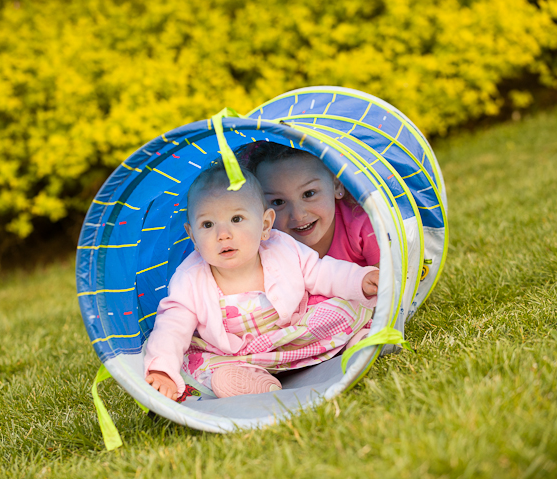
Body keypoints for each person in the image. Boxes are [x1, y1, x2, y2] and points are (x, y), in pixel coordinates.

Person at [144, 162, 379, 400]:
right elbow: (172, 325)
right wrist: (161, 368)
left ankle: (357, 342)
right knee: (201, 364)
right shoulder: (190, 278)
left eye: (236, 219)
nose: (223, 234)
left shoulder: (281, 247)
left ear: (265, 225)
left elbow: (321, 272)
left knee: (339, 307)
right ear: (192, 236)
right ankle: (256, 382)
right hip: (239, 355)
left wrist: (360, 279)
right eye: (207, 224)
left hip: (293, 334)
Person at [238, 141, 381, 347]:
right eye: (278, 202)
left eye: (309, 194)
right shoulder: (267, 246)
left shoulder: (363, 226)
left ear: (336, 185)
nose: (298, 214)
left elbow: (392, 286)